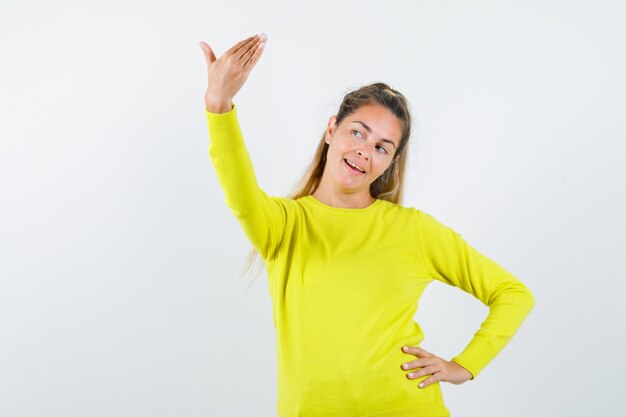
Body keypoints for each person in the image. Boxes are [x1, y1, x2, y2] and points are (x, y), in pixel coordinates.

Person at [199, 33, 535, 417]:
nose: (364, 150)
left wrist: (465, 365)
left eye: (382, 146)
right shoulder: (283, 225)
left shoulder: (415, 230)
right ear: (331, 130)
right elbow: (239, 191)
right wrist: (218, 103)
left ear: (390, 162)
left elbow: (513, 293)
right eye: (357, 131)